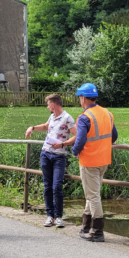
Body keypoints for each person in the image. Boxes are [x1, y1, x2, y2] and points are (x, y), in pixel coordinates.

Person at [68, 83, 117, 242]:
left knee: (93, 195)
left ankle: (97, 231)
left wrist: (74, 151)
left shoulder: (84, 117)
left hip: (89, 161)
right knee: (93, 193)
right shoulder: (107, 113)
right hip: (104, 160)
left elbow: (80, 139)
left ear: (83, 99)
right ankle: (86, 226)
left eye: (80, 98)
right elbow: (114, 136)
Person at [25, 94, 76, 228]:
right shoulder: (52, 116)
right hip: (46, 154)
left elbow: (76, 136)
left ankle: (58, 216)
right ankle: (50, 216)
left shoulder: (67, 118)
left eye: (48, 105)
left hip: (59, 156)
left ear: (53, 104)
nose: (47, 107)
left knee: (57, 186)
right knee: (47, 186)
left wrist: (63, 144)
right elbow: (46, 126)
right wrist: (33, 127)